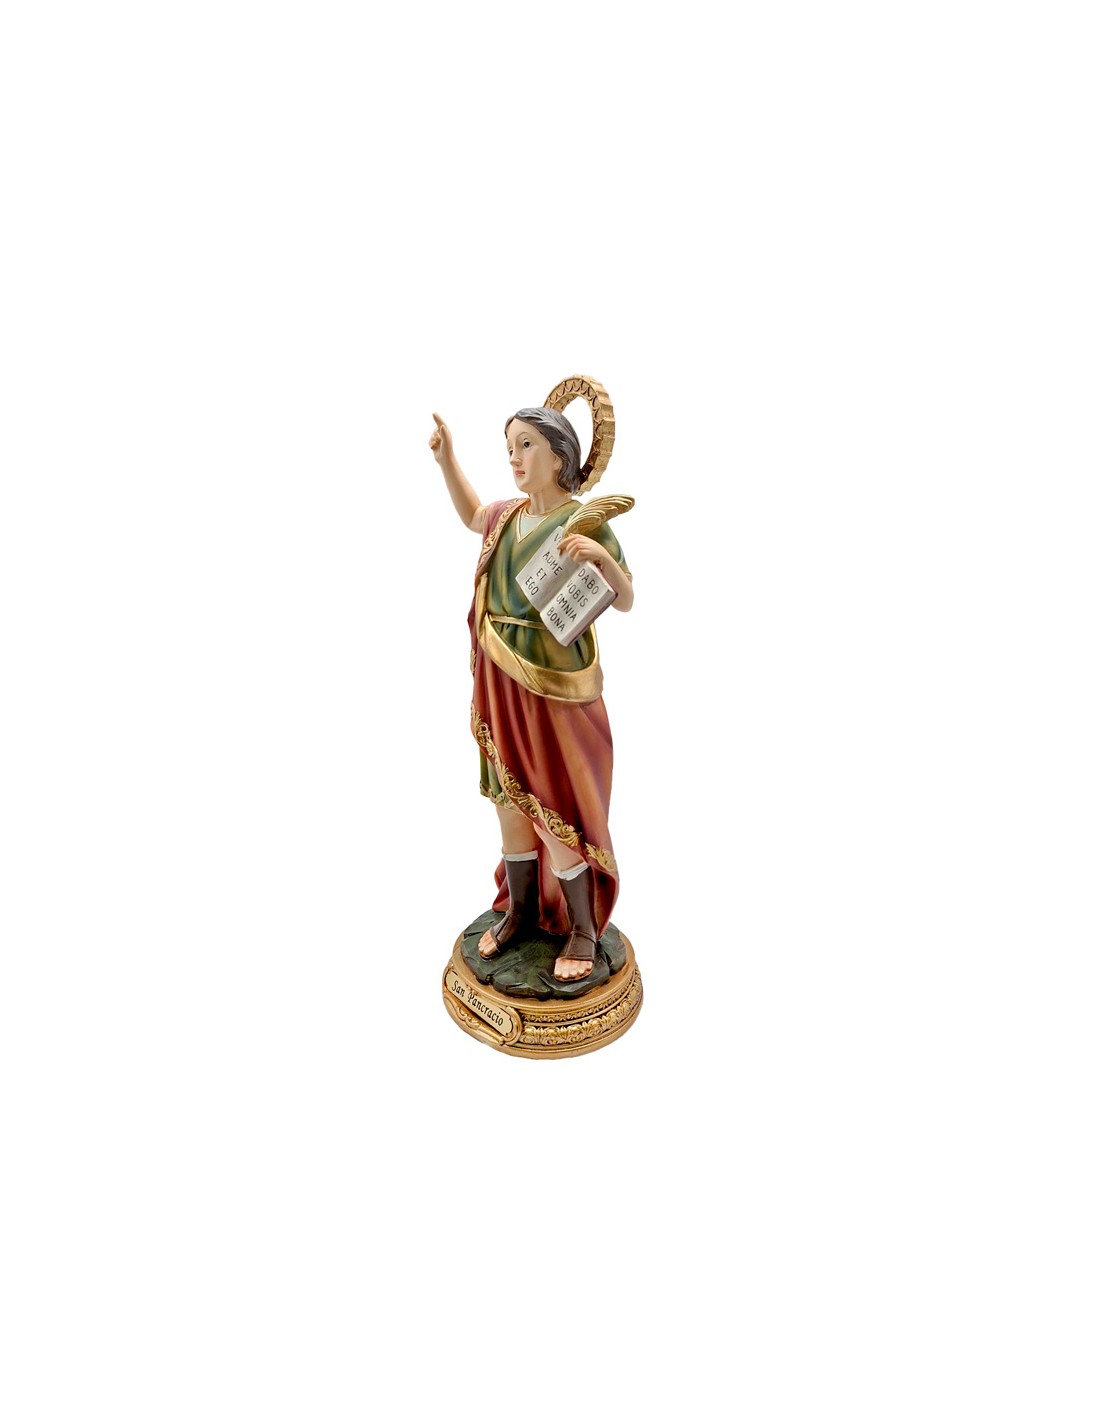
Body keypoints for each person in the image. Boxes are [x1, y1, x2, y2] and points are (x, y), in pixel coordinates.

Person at [429, 405, 634, 981]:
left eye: (526, 446)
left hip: (553, 689)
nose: (514, 459)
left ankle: (583, 929)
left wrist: (599, 558)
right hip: (498, 678)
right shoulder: (508, 517)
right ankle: (519, 911)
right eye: (510, 448)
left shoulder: (583, 522)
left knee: (552, 805)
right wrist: (447, 460)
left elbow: (625, 599)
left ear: (559, 455)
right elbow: (473, 514)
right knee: (508, 798)